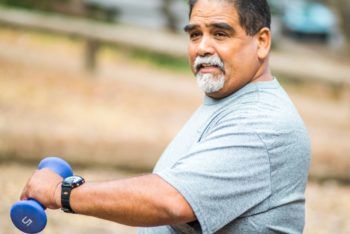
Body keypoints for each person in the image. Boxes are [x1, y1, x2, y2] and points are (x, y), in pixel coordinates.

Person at [20, 0, 311, 233]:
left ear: (261, 42)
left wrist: (63, 192)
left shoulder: (263, 124)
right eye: (195, 34)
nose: (203, 47)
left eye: (220, 33)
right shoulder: (227, 100)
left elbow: (170, 201)